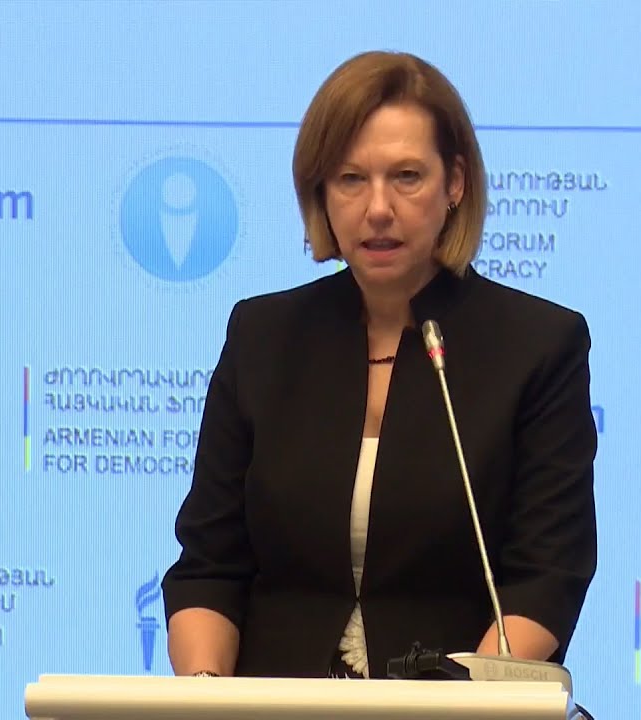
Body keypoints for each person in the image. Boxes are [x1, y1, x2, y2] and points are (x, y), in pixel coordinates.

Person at [161, 50, 598, 680]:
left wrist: (468, 700)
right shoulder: (263, 336)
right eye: (350, 179)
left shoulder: (538, 345)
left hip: (452, 702)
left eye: (407, 177)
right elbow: (209, 567)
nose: (378, 209)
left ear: (455, 183)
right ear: (320, 191)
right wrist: (206, 698)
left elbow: (545, 577)